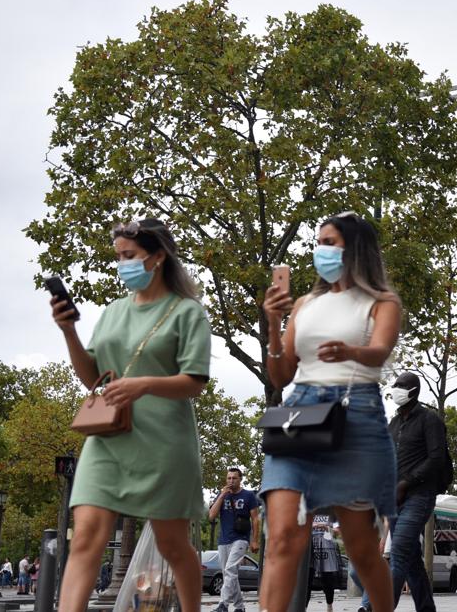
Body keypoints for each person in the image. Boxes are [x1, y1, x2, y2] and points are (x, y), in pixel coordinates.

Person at [49, 218, 212, 612]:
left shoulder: (187, 312)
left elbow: (194, 381)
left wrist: (142, 384)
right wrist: (68, 331)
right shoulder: (112, 311)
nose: (122, 264)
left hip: (164, 443)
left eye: (130, 256)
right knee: (86, 535)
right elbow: (92, 377)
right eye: (118, 257)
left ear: (157, 257)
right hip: (108, 437)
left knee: (173, 545)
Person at [261, 212, 403, 612]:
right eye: (318, 242)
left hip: (355, 412)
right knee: (284, 535)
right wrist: (273, 323)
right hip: (299, 414)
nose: (319, 250)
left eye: (329, 242)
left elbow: (380, 351)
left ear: (354, 248)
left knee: (360, 547)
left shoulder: (381, 302)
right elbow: (281, 375)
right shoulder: (306, 303)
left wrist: (350, 351)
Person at [384, 371, 450, 610]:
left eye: (401, 385)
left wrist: (406, 483)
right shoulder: (393, 423)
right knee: (412, 561)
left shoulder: (429, 420)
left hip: (419, 495)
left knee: (399, 551)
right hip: (393, 499)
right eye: (395, 384)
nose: (396, 388)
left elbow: (436, 458)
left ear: (414, 391)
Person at [208, 467, 260, 612]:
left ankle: (223, 604)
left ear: (240, 479)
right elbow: (211, 515)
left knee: (230, 570)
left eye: (234, 478)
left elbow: (255, 519)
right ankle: (240, 607)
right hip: (223, 540)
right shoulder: (222, 494)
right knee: (229, 575)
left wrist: (255, 540)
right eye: (229, 478)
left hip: (241, 539)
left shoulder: (249, 495)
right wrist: (222, 495)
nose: (231, 481)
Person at [311, 517, 345, 612]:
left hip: (327, 547)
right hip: (310, 546)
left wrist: (325, 527)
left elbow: (338, 530)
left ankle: (329, 605)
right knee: (307, 578)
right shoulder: (309, 508)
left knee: (327, 579)